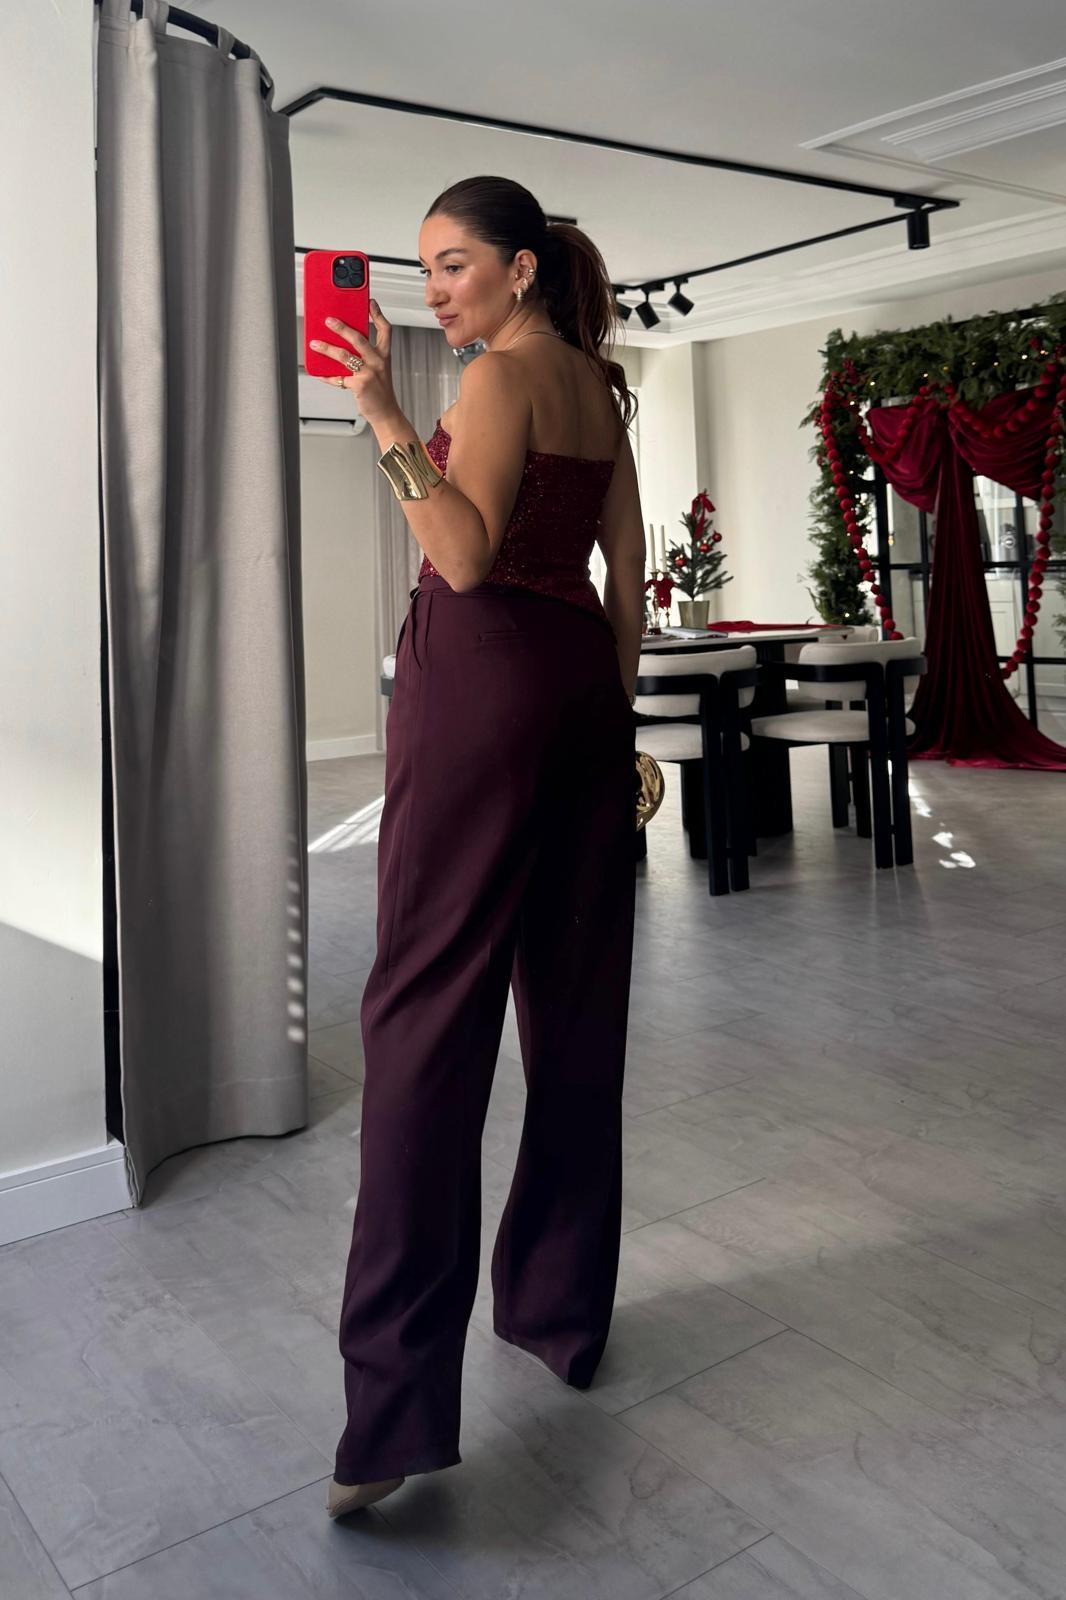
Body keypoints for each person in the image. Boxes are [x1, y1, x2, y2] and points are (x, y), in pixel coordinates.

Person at [308, 174, 646, 1519]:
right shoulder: (599, 388)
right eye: (425, 269)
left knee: (423, 1022)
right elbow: (626, 572)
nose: (433, 291)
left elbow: (459, 556)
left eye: (453, 265)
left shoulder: (500, 379)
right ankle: (560, 1313)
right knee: (575, 1018)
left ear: (519, 269)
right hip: (577, 689)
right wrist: (613, 724)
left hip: (479, 688)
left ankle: (391, 1418)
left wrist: (389, 418)